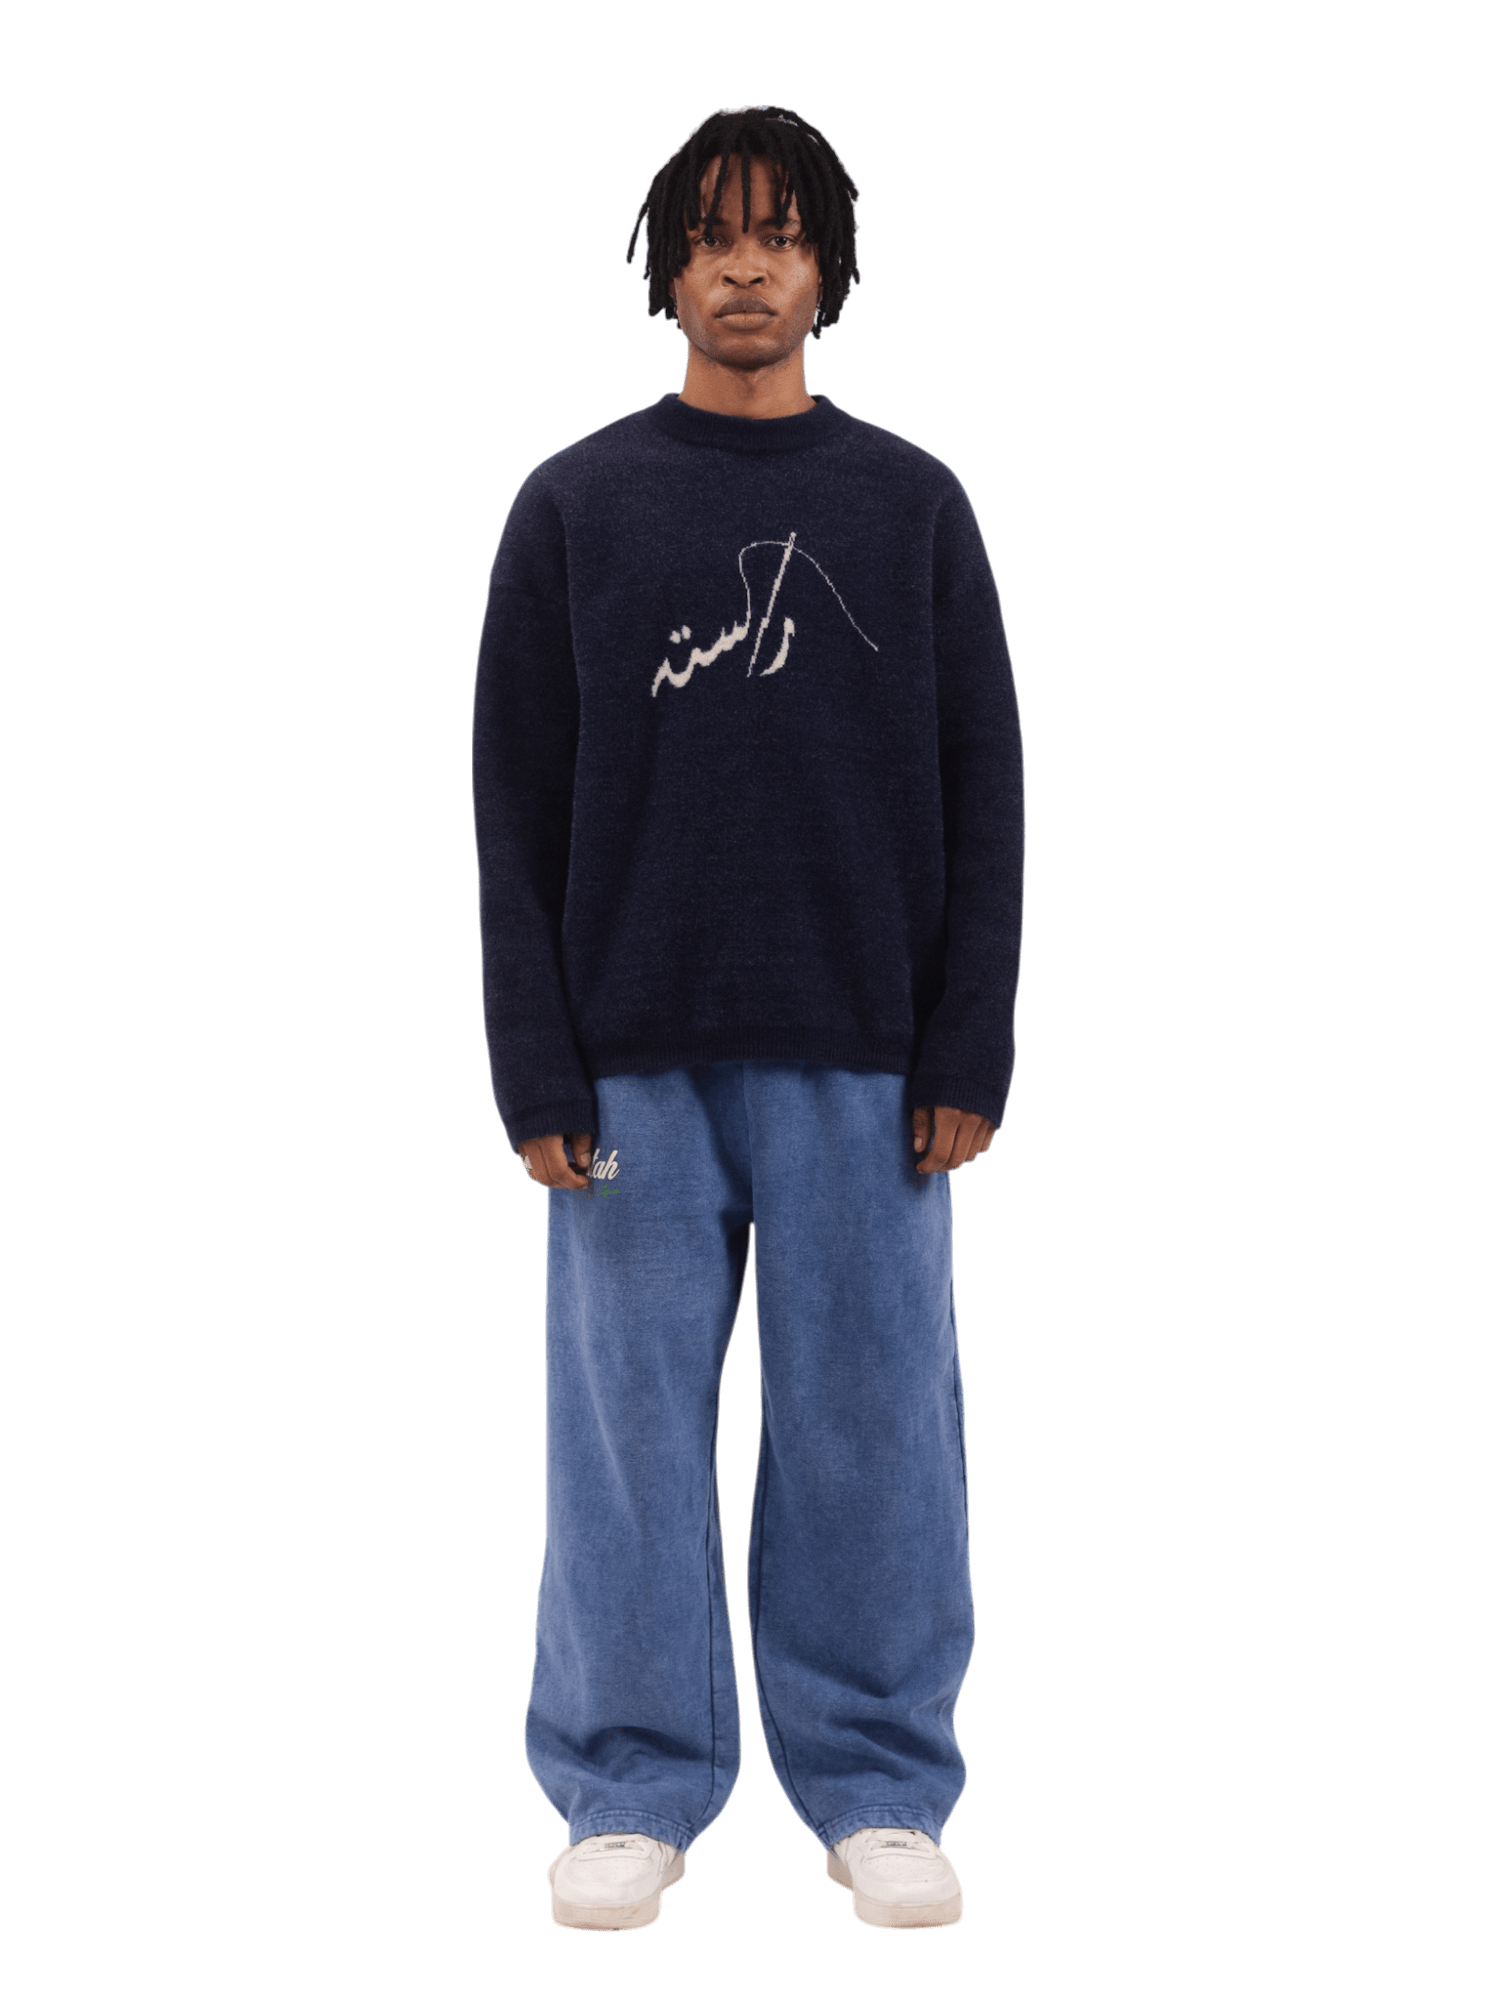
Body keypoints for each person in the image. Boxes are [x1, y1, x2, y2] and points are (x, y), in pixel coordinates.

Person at [471, 103, 1024, 1933]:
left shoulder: (913, 507)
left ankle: (879, 1786)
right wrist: (534, 1062)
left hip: (868, 1054)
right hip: (629, 1056)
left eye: (781, 235)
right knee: (623, 1437)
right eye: (712, 236)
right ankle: (629, 1787)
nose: (745, 269)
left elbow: (989, 791)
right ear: (666, 267)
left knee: (874, 1425)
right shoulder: (574, 507)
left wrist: (968, 1044)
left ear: (828, 268)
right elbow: (511, 806)